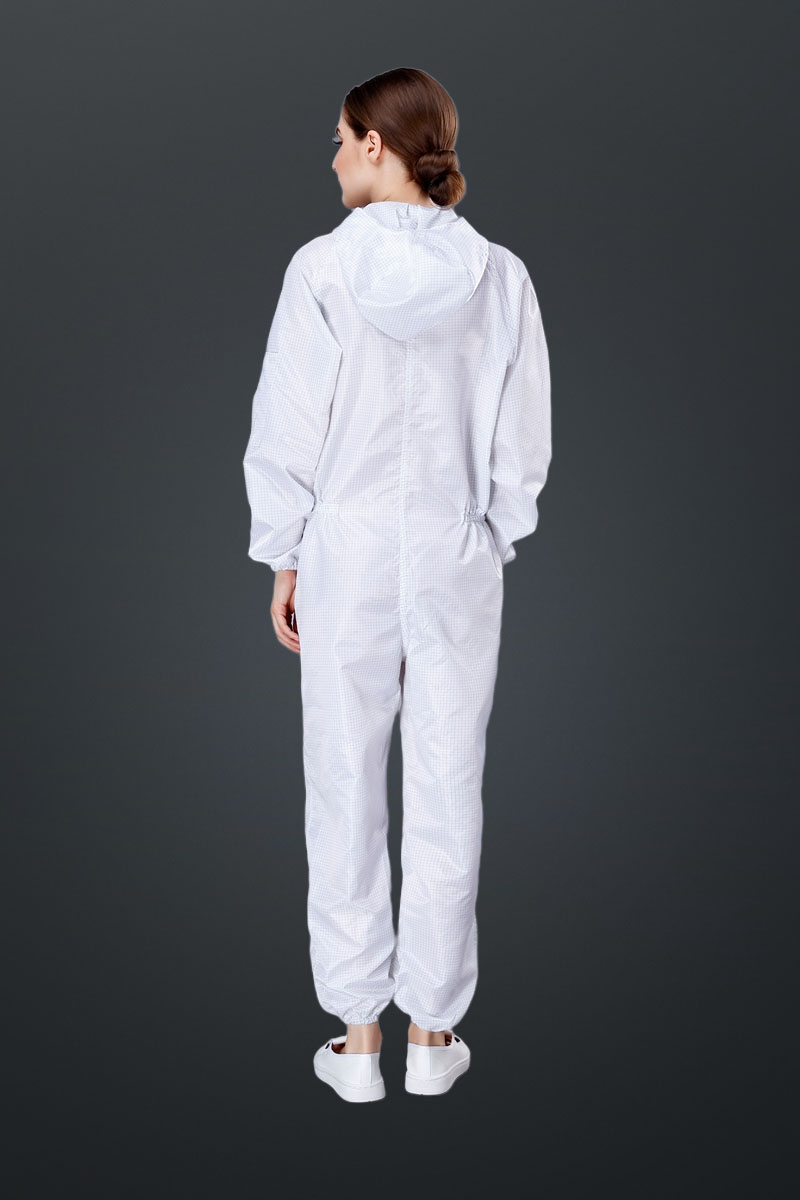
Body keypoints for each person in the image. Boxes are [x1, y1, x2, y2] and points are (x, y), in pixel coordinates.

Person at [242, 67, 552, 1102]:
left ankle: (357, 1041)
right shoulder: (499, 275)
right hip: (456, 546)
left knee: (343, 779)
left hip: (348, 546)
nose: (333, 156)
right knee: (448, 778)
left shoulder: (322, 270)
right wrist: (489, 532)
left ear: (378, 144)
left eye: (341, 138)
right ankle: (432, 1036)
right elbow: (522, 438)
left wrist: (284, 553)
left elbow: (289, 423)